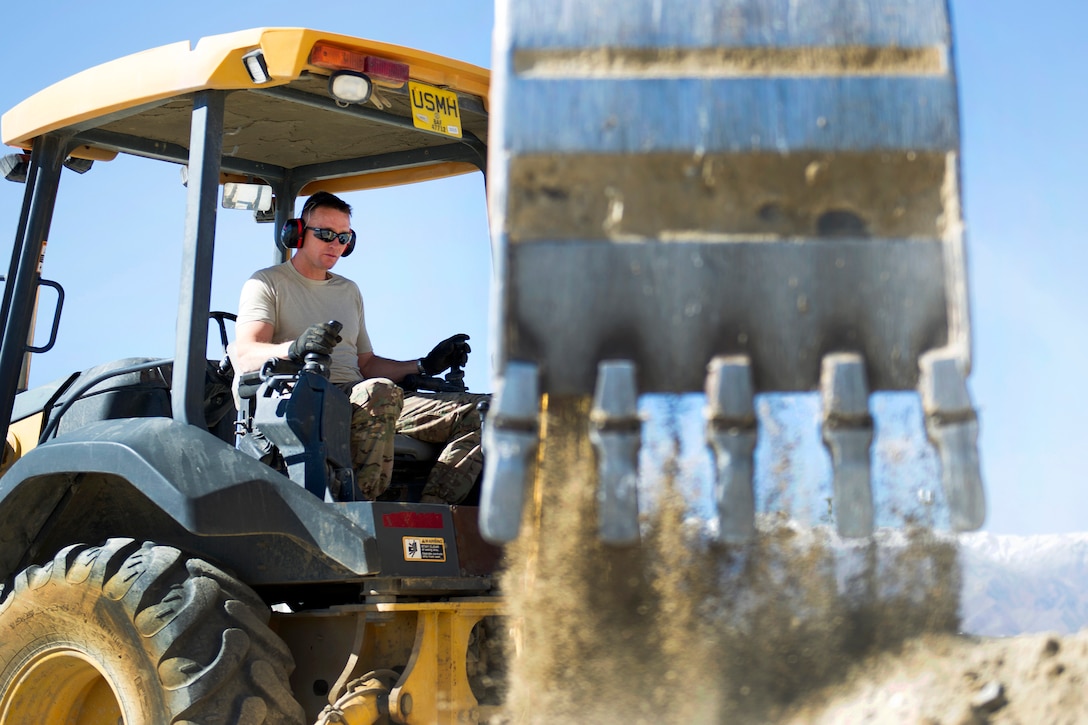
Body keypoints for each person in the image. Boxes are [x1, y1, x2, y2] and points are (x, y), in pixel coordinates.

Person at [233, 191, 487, 504]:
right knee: (379, 392)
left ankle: (434, 513)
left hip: (369, 398)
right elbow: (244, 354)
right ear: (297, 233)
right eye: (325, 234)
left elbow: (365, 364)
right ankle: (359, 513)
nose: (335, 244)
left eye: (344, 237)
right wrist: (295, 348)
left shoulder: (348, 291)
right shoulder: (267, 283)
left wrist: (423, 366)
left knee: (486, 412)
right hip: (308, 403)